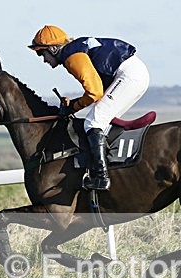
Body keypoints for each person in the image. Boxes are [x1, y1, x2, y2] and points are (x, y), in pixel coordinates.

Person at [28, 25, 150, 191]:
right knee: (102, 121)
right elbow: (96, 92)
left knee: (92, 122)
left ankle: (101, 177)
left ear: (54, 48)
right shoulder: (75, 50)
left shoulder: (71, 57)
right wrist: (74, 104)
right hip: (133, 74)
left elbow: (94, 93)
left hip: (128, 76)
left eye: (41, 53)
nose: (43, 59)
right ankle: (112, 166)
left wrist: (74, 107)